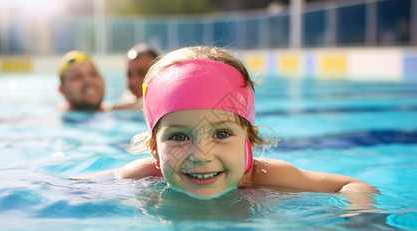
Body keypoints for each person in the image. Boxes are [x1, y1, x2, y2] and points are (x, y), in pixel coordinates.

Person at [79, 46, 378, 203]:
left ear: (249, 140)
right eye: (179, 137)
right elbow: (71, 187)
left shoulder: (265, 178)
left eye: (221, 133)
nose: (201, 154)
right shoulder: (146, 175)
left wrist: (357, 217)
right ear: (155, 150)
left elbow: (353, 185)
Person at [112, 44, 160, 110]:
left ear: (158, 73)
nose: (134, 81)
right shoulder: (127, 98)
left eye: (142, 74)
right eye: (129, 75)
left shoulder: (161, 99)